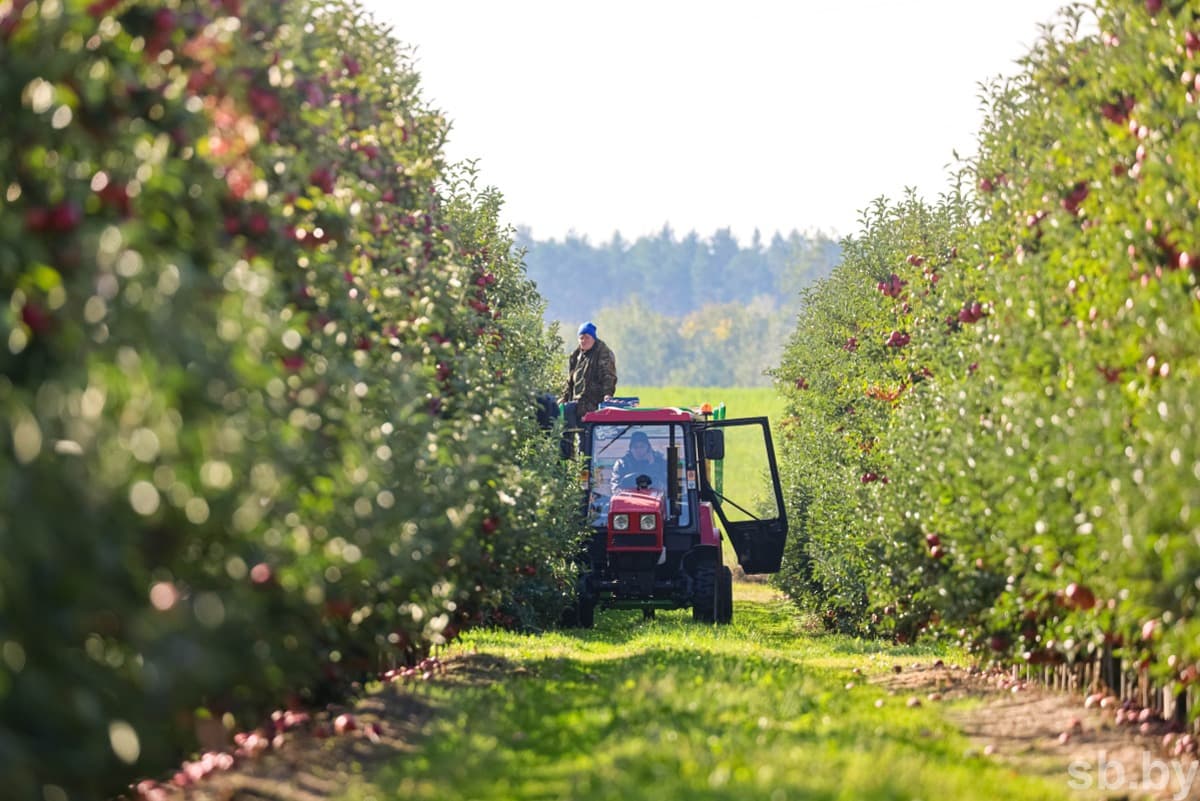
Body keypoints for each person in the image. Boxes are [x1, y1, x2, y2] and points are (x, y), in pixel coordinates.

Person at [559, 320, 618, 429]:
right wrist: (564, 398)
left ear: (593, 338)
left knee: (587, 436)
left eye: (587, 337)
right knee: (566, 426)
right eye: (581, 338)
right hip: (576, 402)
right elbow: (570, 380)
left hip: (593, 403)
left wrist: (608, 394)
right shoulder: (576, 355)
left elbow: (608, 376)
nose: (584, 341)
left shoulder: (603, 352)